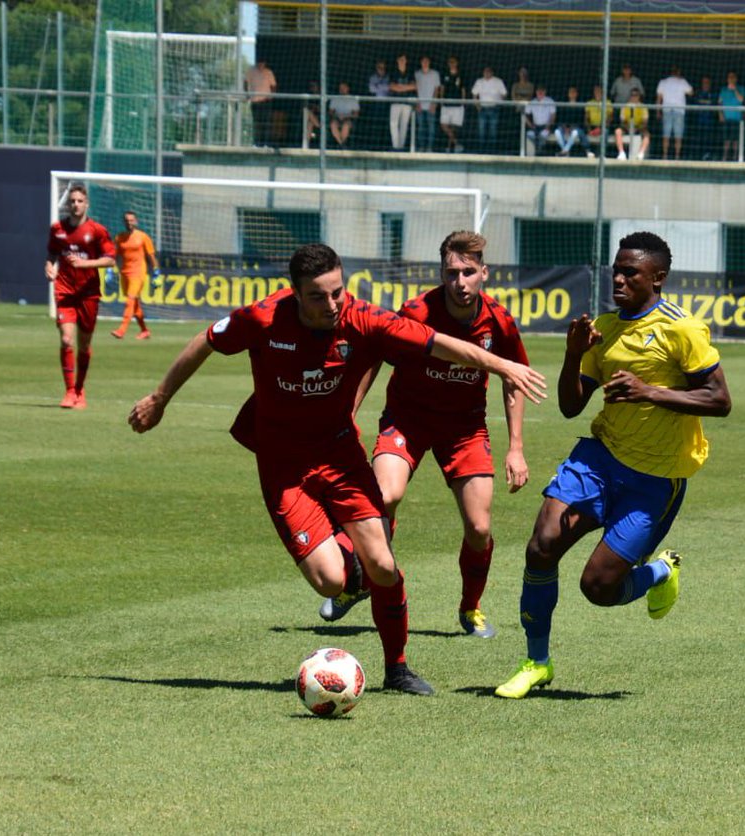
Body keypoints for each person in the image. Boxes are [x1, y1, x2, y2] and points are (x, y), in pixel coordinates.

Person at [127, 243, 546, 696]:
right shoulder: (263, 318)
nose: (331, 305)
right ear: (295, 294)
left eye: (337, 292)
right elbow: (206, 341)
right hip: (284, 466)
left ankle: (398, 668)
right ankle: (355, 572)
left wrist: (502, 364)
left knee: (384, 564)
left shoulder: (363, 317)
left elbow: (435, 343)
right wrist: (160, 397)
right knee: (331, 579)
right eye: (318, 296)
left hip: (341, 457)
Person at [494, 231, 732, 699]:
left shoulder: (682, 329)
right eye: (615, 271)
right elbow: (569, 406)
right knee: (541, 546)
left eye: (630, 273)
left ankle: (660, 572)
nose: (618, 279)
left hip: (656, 479)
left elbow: (720, 400)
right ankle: (536, 662)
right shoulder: (603, 327)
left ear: (658, 278)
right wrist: (572, 352)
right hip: (599, 459)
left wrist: (651, 393)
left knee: (598, 588)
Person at [317, 231, 531, 640]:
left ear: (484, 273)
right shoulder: (417, 311)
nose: (461, 282)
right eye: (452, 273)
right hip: (408, 419)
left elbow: (513, 378)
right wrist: (348, 411)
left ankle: (471, 608)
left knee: (479, 528)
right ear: (441, 274)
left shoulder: (498, 320)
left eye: (469, 272)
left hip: (464, 428)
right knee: (384, 497)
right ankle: (363, 580)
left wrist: (516, 448)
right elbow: (375, 354)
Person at [45, 183, 116, 409]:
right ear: (68, 204)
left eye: (79, 201)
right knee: (66, 339)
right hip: (64, 289)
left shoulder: (96, 231)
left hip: (88, 293)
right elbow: (52, 252)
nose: (75, 205)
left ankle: (79, 389)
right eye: (72, 201)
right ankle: (68, 392)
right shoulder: (57, 229)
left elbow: (111, 259)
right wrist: (49, 266)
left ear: (87, 204)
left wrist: (86, 264)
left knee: (84, 346)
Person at [110, 210, 158, 340]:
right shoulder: (120, 237)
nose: (129, 222)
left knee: (130, 300)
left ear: (136, 221)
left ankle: (122, 330)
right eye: (127, 220)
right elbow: (114, 255)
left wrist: (156, 272)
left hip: (139, 273)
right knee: (135, 305)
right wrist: (110, 270)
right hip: (125, 273)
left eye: (131, 220)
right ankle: (145, 330)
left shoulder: (143, 237)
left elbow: (151, 255)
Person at [655, 66, 693, 160]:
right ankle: (677, 156)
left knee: (666, 135)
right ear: (679, 72)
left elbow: (659, 98)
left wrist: (657, 111)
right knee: (678, 136)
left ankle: (665, 155)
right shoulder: (682, 82)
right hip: (679, 111)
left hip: (667, 110)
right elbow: (691, 92)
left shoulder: (663, 82)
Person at [471, 66, 508, 153]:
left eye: (489, 71)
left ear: (492, 73)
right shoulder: (479, 81)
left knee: (493, 130)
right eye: (485, 71)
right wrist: (477, 106)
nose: (487, 73)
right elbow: (474, 94)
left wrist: (500, 103)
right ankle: (481, 150)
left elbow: (504, 94)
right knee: (481, 130)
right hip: (483, 108)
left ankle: (492, 150)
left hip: (494, 108)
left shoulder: (498, 81)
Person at [244, 55, 277, 149]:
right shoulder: (251, 71)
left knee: (266, 123)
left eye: (262, 63)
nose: (260, 65)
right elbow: (245, 82)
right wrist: (247, 94)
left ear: (265, 63)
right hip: (255, 101)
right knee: (257, 123)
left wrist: (272, 96)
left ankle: (266, 143)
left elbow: (274, 85)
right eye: (259, 63)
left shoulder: (268, 72)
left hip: (266, 101)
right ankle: (256, 143)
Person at [438, 56, 467, 153]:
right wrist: (441, 100)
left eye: (453, 62)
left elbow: (463, 89)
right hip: (446, 105)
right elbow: (442, 88)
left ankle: (450, 148)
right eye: (450, 62)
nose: (451, 64)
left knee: (454, 128)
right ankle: (457, 143)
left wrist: (463, 102)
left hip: (457, 105)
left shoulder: (461, 74)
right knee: (444, 125)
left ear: (457, 63)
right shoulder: (445, 74)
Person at [388, 54, 416, 151]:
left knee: (404, 125)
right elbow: (392, 86)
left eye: (403, 59)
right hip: (395, 102)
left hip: (407, 102)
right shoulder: (394, 72)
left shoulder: (410, 72)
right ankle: (395, 147)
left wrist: (400, 87)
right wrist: (406, 87)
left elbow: (414, 86)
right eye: (400, 59)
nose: (402, 61)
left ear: (406, 61)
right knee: (393, 124)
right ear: (397, 60)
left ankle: (401, 147)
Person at [414, 55, 442, 152]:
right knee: (421, 128)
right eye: (423, 61)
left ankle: (430, 148)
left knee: (431, 128)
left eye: (427, 61)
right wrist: (417, 103)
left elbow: (436, 89)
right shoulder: (416, 74)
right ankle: (421, 147)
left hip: (431, 106)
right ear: (421, 62)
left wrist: (434, 103)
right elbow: (415, 89)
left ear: (429, 62)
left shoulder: (435, 74)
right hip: (420, 105)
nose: (425, 63)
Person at [614, 88, 650, 161]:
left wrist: (637, 128)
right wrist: (628, 128)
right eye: (632, 95)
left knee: (647, 135)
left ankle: (640, 154)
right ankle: (621, 153)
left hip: (638, 127)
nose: (634, 97)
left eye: (636, 95)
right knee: (618, 131)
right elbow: (622, 122)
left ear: (639, 96)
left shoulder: (643, 107)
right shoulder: (625, 106)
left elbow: (645, 122)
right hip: (627, 127)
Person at [718, 71, 745, 161]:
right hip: (726, 119)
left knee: (735, 140)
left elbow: (741, 99)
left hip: (737, 119)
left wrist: (735, 90)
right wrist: (720, 114)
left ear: (736, 79)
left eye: (733, 77)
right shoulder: (723, 90)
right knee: (726, 139)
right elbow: (719, 103)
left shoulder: (740, 88)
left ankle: (735, 157)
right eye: (729, 77)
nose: (731, 79)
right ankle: (725, 157)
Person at [523, 84, 557, 156]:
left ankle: (540, 151)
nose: (540, 93)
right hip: (535, 127)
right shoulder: (532, 102)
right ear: (536, 92)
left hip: (546, 126)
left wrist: (549, 126)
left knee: (543, 135)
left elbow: (553, 115)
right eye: (539, 91)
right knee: (529, 134)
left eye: (542, 91)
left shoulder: (550, 101)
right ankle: (536, 150)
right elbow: (525, 114)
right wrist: (530, 125)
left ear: (545, 92)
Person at [690, 75, 717, 161]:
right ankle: (697, 156)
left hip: (709, 122)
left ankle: (707, 155)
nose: (705, 84)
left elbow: (714, 103)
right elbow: (695, 104)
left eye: (707, 82)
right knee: (698, 139)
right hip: (698, 121)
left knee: (708, 140)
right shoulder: (698, 93)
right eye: (704, 82)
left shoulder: (713, 94)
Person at [328, 81, 361, 149]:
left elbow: (356, 114)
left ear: (348, 88)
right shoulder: (335, 98)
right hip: (336, 118)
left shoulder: (353, 99)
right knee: (333, 125)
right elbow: (330, 112)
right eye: (340, 88)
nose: (342, 89)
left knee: (346, 125)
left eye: (344, 88)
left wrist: (346, 116)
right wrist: (337, 116)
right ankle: (341, 144)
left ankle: (340, 145)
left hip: (348, 119)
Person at [583, 84, 612, 159]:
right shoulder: (589, 103)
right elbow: (586, 118)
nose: (597, 93)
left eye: (599, 91)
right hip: (592, 126)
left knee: (605, 132)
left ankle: (601, 154)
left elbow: (610, 118)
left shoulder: (608, 102)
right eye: (596, 91)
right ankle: (588, 151)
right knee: (580, 132)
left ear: (603, 92)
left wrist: (601, 128)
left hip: (602, 127)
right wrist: (589, 129)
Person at [367, 59, 391, 150]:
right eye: (379, 67)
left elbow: (390, 88)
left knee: (385, 125)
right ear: (376, 68)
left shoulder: (388, 77)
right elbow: (371, 89)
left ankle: (385, 146)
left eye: (383, 67)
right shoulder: (373, 77)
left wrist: (378, 86)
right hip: (376, 104)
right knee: (375, 125)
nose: (381, 69)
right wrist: (383, 87)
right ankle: (374, 145)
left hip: (386, 104)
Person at [555, 86, 585, 157]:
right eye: (570, 92)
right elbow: (561, 118)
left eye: (574, 92)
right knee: (557, 132)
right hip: (564, 127)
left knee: (575, 133)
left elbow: (580, 119)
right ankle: (565, 151)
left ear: (577, 94)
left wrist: (572, 127)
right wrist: (565, 127)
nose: (572, 93)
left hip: (575, 128)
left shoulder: (580, 104)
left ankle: (564, 151)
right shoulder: (564, 104)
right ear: (568, 94)